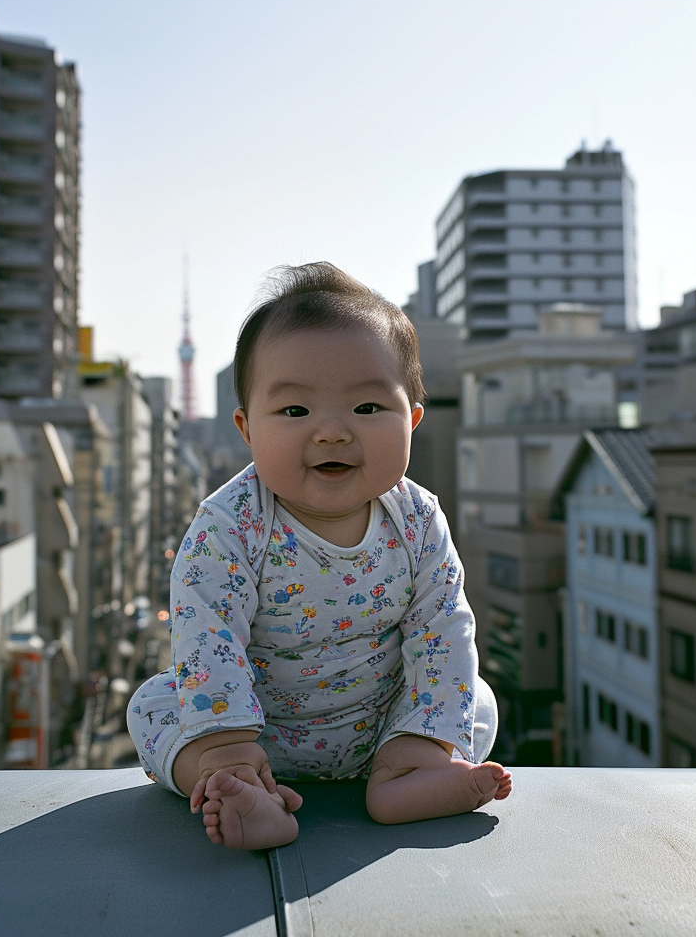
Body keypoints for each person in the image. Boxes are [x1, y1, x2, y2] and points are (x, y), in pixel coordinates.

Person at [127, 262, 512, 849]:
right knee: (154, 706)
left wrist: (424, 732)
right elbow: (207, 635)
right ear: (246, 429)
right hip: (257, 735)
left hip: (384, 726)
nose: (331, 432)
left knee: (472, 693)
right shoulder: (231, 524)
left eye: (366, 410)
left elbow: (443, 628)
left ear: (411, 422)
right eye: (294, 412)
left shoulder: (417, 518)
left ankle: (407, 775)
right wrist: (229, 744)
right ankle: (244, 789)